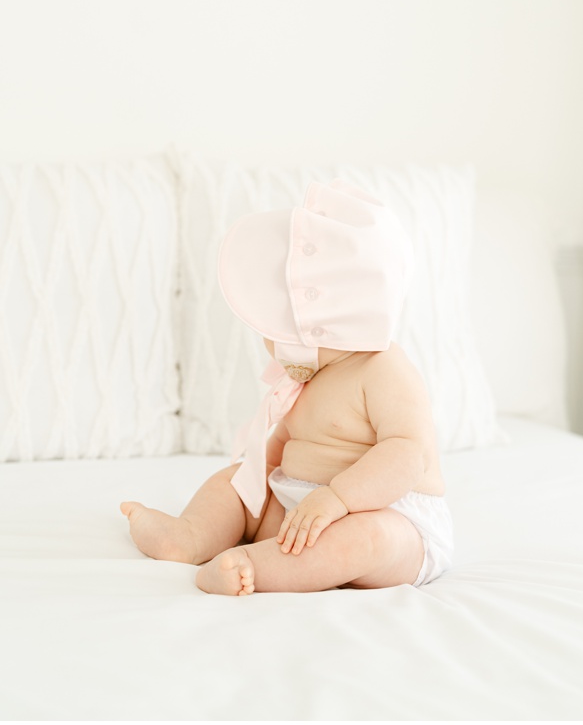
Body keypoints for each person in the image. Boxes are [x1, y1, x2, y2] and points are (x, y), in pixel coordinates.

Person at [122, 180, 456, 595]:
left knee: (363, 539)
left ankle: (253, 567)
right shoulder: (310, 374)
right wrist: (254, 482)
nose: (270, 344)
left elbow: (408, 456)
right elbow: (280, 446)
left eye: (279, 329)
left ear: (329, 319)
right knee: (237, 483)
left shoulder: (382, 368)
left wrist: (339, 499)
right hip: (302, 506)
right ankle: (189, 536)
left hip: (390, 515)